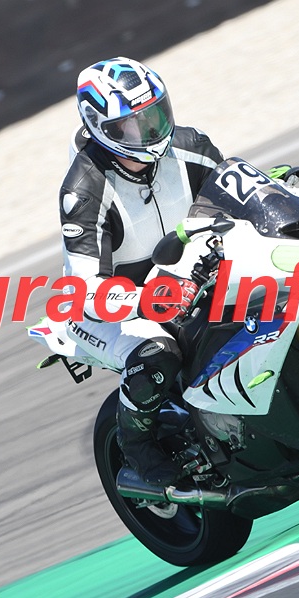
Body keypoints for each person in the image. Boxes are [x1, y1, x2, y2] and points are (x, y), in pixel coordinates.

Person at [58, 57, 225, 486]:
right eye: (131, 125)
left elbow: (233, 199)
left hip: (189, 276)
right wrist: (145, 300)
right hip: (114, 305)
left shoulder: (191, 145)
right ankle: (137, 445)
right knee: (158, 353)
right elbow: (85, 290)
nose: (148, 132)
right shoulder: (84, 191)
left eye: (153, 116)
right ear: (102, 128)